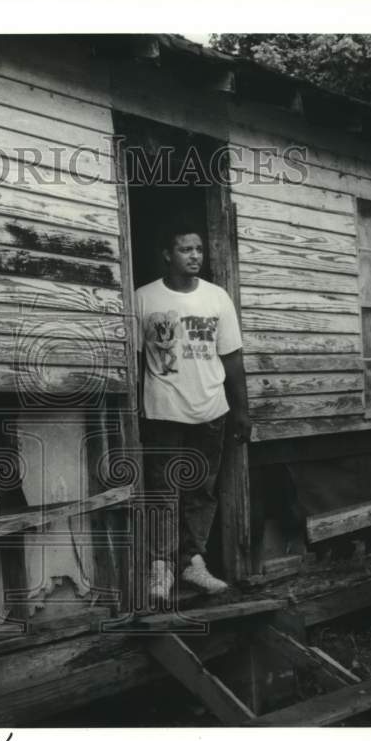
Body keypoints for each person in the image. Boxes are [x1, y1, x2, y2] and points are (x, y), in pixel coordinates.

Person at [135, 228, 252, 601]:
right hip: (163, 410)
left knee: (201, 490)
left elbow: (232, 358)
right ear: (167, 254)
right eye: (185, 248)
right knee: (163, 491)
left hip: (211, 409)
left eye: (199, 249)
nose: (195, 255)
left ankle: (192, 563)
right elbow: (135, 361)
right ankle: (161, 567)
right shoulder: (143, 298)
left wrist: (242, 411)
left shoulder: (217, 298)